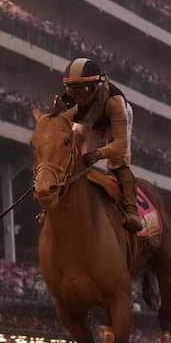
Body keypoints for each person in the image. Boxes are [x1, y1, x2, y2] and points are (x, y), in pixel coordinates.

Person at [55, 58, 142, 232]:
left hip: (112, 122)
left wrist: (98, 154)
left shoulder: (115, 102)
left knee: (118, 162)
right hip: (90, 122)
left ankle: (132, 211)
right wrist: (56, 114)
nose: (77, 97)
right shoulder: (68, 101)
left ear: (95, 88)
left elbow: (121, 144)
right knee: (76, 159)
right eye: (72, 90)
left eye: (82, 90)